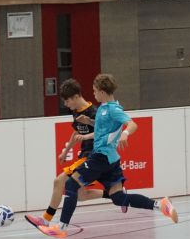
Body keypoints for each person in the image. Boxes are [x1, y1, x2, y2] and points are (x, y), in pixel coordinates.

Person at [36, 73, 178, 239]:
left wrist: (125, 133)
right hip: (111, 160)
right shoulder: (103, 109)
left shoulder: (114, 109)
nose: (93, 94)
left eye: (95, 91)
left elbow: (132, 124)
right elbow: (102, 131)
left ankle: (61, 227)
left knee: (71, 185)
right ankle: (160, 205)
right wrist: (89, 124)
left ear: (102, 92)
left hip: (100, 157)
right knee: (118, 198)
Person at [25, 78, 124, 229]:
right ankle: (116, 195)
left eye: (67, 101)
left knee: (59, 181)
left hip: (92, 155)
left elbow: (105, 133)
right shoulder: (75, 111)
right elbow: (76, 132)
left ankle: (45, 219)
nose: (66, 104)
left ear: (76, 97)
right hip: (84, 154)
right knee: (81, 195)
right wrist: (65, 151)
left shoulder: (94, 113)